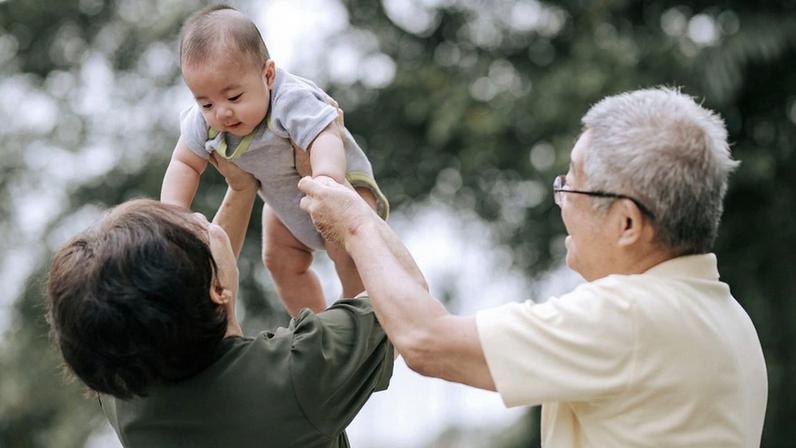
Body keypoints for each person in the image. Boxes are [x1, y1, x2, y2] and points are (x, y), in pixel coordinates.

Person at [298, 87, 768, 447]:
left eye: (573, 186)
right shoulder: (727, 319)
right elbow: (424, 326)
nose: (561, 201)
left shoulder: (630, 317)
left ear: (627, 222)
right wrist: (362, 219)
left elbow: (427, 342)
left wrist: (355, 225)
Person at [46, 154, 394, 447]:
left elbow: (198, 284)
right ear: (216, 289)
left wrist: (242, 189)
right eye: (192, 226)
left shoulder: (125, 392)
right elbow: (398, 296)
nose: (200, 217)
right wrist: (350, 215)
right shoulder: (299, 371)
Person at [160, 4, 389, 316]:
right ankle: (316, 322)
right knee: (279, 260)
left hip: (340, 186)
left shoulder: (290, 98)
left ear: (267, 75)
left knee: (348, 251)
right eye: (206, 103)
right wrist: (173, 213)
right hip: (282, 202)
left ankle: (357, 307)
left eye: (234, 97)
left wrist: (327, 179)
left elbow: (325, 134)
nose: (222, 112)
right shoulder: (202, 122)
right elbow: (184, 164)